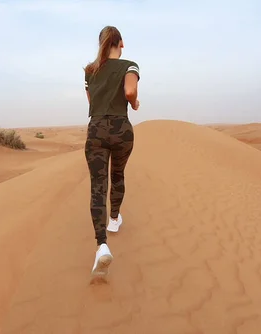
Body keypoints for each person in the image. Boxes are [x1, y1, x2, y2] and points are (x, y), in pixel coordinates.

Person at [83, 25, 140, 279]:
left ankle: (101, 245)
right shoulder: (130, 66)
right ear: (121, 43)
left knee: (98, 186)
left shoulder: (90, 71)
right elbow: (129, 91)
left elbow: (92, 103)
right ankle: (114, 218)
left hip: (96, 129)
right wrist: (134, 102)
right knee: (117, 175)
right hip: (121, 128)